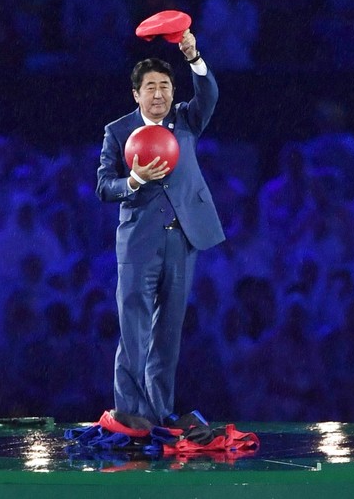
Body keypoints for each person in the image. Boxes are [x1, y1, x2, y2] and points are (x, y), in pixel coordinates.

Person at [95, 29, 222, 425]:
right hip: (139, 244)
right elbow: (103, 186)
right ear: (136, 94)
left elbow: (209, 96)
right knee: (133, 329)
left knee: (168, 333)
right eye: (150, 87)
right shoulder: (117, 131)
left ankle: (160, 412)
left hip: (182, 240)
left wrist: (194, 56)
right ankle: (131, 414)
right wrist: (133, 180)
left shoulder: (186, 119)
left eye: (165, 86)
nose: (159, 94)